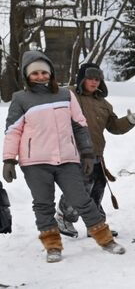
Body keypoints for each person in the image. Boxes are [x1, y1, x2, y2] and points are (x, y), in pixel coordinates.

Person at [3, 50, 125, 261]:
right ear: (27, 75)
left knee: (82, 200)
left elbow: (79, 126)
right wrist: (9, 159)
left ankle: (106, 239)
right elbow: (13, 130)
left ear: (50, 73)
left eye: (44, 72)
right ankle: (52, 246)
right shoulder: (21, 99)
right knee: (43, 204)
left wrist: (86, 153)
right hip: (35, 162)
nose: (40, 76)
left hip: (67, 159)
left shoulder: (65, 95)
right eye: (35, 73)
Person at [58, 63, 135, 235]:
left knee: (98, 187)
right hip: (74, 152)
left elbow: (114, 127)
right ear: (82, 79)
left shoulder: (103, 103)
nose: (94, 82)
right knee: (80, 188)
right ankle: (63, 218)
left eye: (97, 79)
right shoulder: (68, 95)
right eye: (90, 78)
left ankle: (95, 224)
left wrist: (129, 120)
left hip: (96, 153)